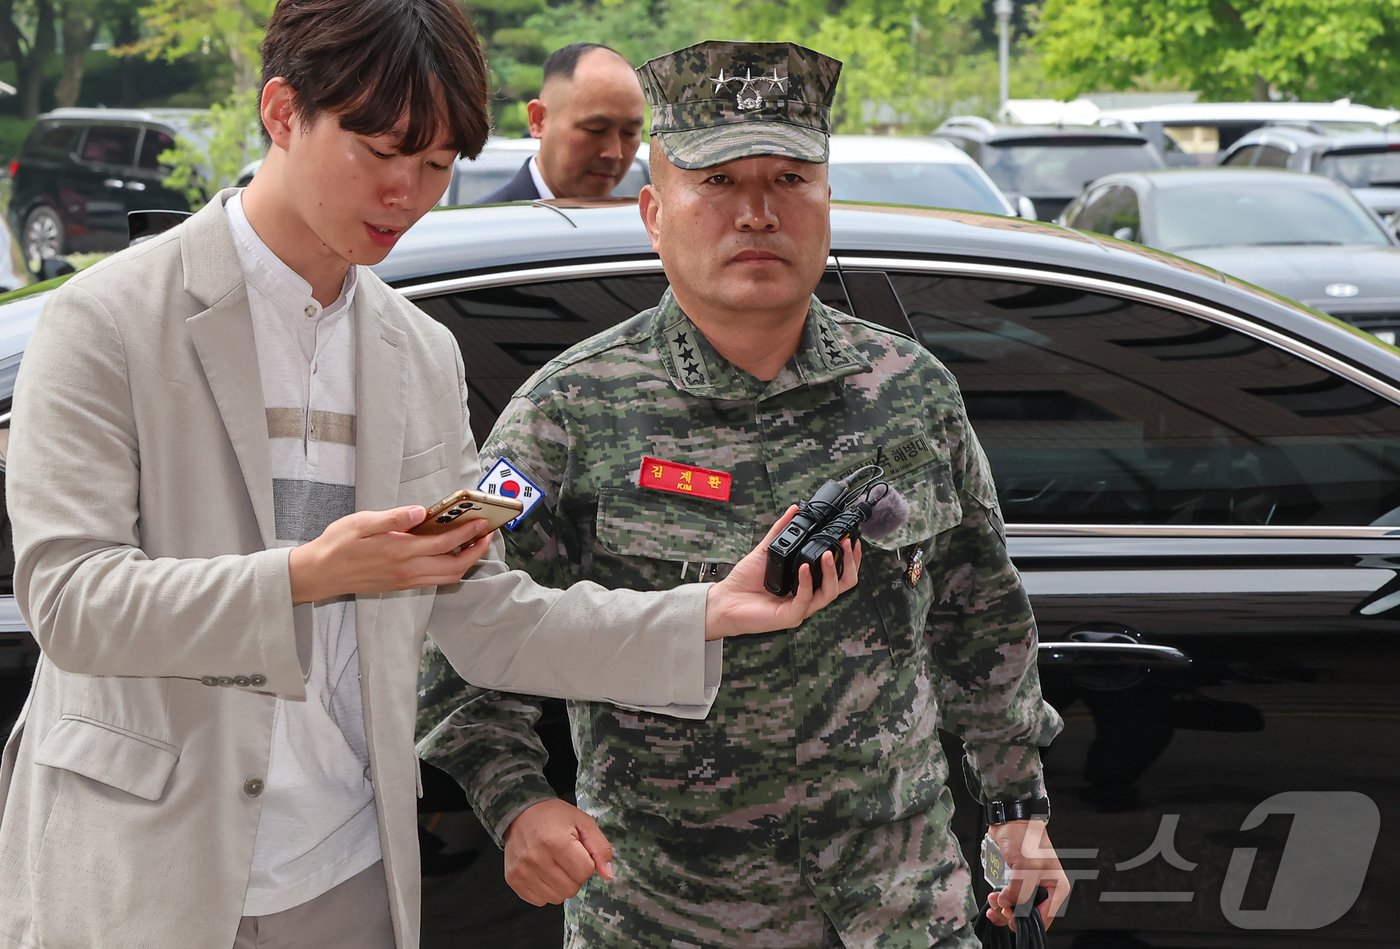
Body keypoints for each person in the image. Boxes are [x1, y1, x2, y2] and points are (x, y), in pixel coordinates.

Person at [0, 8, 859, 947]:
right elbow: (69, 599)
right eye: (380, 151)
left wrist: (708, 613)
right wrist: (309, 574)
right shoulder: (110, 318)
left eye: (441, 164)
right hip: (145, 865)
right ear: (282, 112)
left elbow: (484, 616)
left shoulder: (418, 352)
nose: (407, 192)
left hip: (348, 867)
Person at [418, 39, 1068, 948]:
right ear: (652, 212)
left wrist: (1017, 810)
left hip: (901, 910)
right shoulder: (562, 412)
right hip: (667, 915)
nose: (758, 212)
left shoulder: (912, 391)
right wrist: (517, 802)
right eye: (717, 181)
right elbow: (445, 613)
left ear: (827, 204)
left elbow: (980, 614)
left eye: (790, 178)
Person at [476, 42, 644, 203]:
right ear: (538, 119)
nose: (614, 153)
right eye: (596, 129)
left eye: (630, 133)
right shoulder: (484, 227)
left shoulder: (641, 227)